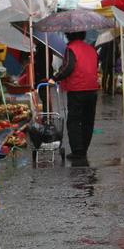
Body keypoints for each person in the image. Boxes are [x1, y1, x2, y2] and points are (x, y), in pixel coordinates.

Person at [52, 31, 99, 159]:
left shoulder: (70, 49)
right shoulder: (91, 49)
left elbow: (68, 67)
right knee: (88, 121)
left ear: (69, 35)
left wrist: (55, 77)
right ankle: (84, 149)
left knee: (74, 121)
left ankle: (78, 151)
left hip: (77, 89)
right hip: (92, 89)